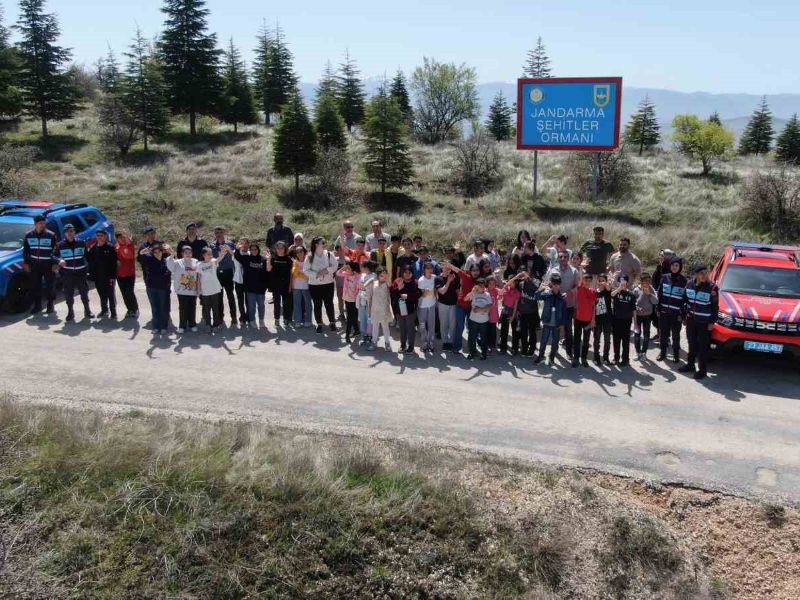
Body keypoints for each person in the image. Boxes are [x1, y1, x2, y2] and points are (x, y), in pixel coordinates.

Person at [679, 264, 718, 380]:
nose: (705, 275)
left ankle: (702, 370)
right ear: (696, 274)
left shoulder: (712, 288)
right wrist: (684, 315)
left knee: (703, 347)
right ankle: (690, 365)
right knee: (691, 343)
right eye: (702, 273)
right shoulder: (689, 284)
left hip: (704, 322)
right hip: (691, 320)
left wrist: (712, 322)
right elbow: (684, 300)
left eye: (706, 273)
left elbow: (715, 307)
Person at [55, 223, 93, 322]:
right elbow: (53, 255)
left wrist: (90, 268)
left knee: (84, 292)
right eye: (67, 232)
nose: (70, 233)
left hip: (81, 272)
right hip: (67, 273)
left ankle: (87, 311)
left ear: (74, 232)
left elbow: (87, 256)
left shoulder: (81, 243)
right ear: (65, 234)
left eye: (71, 231)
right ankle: (70, 312)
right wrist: (59, 260)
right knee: (68, 294)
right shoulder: (60, 245)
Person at [23, 215, 58, 315]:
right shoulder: (28, 235)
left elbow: (56, 250)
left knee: (50, 286)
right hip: (35, 265)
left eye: (44, 223)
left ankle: (50, 304)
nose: (43, 225)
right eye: (40, 223)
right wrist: (26, 263)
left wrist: (55, 263)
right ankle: (37, 305)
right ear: (35, 224)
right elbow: (26, 251)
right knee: (35, 285)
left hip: (48, 265)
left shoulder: (51, 235)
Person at [546, 250, 578, 357]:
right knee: (555, 328)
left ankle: (569, 352)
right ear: (558, 258)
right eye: (561, 257)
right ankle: (554, 352)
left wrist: (570, 292)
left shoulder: (574, 271)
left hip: (568, 305)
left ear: (568, 258)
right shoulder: (553, 270)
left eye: (565, 257)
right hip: (555, 305)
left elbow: (577, 287)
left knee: (568, 330)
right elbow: (548, 284)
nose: (563, 259)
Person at [444, 260, 479, 354]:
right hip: (460, 306)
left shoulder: (480, 282)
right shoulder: (466, 277)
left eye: (477, 270)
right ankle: (456, 348)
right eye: (474, 270)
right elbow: (457, 270)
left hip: (471, 308)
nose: (475, 272)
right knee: (460, 327)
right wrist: (449, 265)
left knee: (472, 328)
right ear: (470, 271)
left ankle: (472, 348)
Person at [657, 256, 687, 362]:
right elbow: (659, 294)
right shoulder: (664, 277)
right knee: (663, 334)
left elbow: (685, 300)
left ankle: (675, 354)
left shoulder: (684, 281)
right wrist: (658, 308)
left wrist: (682, 315)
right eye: (672, 265)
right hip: (664, 312)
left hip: (676, 314)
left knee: (675, 336)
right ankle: (663, 352)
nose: (674, 267)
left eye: (676, 265)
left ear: (680, 267)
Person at [534, 275, 569, 366]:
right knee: (543, 341)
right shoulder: (547, 295)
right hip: (547, 322)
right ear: (551, 284)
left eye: (557, 284)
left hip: (557, 324)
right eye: (554, 284)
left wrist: (562, 326)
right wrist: (540, 289)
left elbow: (565, 313)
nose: (556, 286)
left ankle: (552, 358)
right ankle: (541, 356)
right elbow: (536, 297)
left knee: (555, 343)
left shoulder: (562, 298)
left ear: (560, 285)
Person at [305, 237, 338, 333]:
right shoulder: (310, 256)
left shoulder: (328, 254)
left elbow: (335, 265)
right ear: (316, 244)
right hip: (314, 285)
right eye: (322, 242)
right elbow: (306, 270)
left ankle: (332, 323)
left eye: (324, 242)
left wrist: (326, 270)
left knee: (329, 304)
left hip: (328, 284)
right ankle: (319, 323)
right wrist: (317, 274)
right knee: (317, 304)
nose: (324, 243)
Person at [137, 244, 171, 336]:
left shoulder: (166, 261)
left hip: (163, 289)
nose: (157, 254)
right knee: (155, 308)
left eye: (159, 251)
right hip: (152, 288)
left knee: (163, 308)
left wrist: (169, 250)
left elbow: (173, 257)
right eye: (155, 252)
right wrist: (142, 252)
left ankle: (164, 327)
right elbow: (140, 257)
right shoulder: (149, 260)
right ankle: (156, 327)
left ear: (162, 252)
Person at [234, 241, 269, 328]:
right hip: (250, 288)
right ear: (250, 250)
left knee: (261, 306)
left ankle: (261, 321)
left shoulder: (263, 259)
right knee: (251, 306)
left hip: (260, 288)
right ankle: (252, 321)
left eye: (255, 249)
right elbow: (237, 256)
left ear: (258, 250)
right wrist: (237, 248)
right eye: (252, 249)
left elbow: (267, 273)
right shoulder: (246, 259)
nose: (254, 251)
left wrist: (265, 286)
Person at [166, 245, 200, 332]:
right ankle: (182, 326)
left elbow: (199, 275)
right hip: (181, 290)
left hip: (193, 290)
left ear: (192, 253)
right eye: (186, 253)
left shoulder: (195, 262)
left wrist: (198, 288)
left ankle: (192, 324)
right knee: (183, 308)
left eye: (190, 253)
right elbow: (170, 266)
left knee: (192, 307)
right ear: (182, 254)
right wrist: (171, 254)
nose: (188, 254)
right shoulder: (177, 262)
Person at [333, 221, 362, 317]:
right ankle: (342, 312)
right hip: (343, 265)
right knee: (342, 290)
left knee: (353, 291)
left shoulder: (358, 238)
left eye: (351, 226)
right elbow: (335, 251)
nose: (350, 229)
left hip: (355, 268)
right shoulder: (340, 238)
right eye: (347, 227)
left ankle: (353, 312)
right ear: (344, 228)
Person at [87, 229, 118, 319]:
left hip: (109, 276)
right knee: (102, 294)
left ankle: (113, 312)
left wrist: (113, 276)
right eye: (98, 236)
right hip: (98, 276)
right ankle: (104, 310)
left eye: (101, 235)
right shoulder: (94, 247)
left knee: (110, 295)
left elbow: (114, 263)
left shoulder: (110, 247)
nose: (99, 237)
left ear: (105, 236)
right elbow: (89, 258)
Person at [391, 266, 421, 354]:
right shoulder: (397, 281)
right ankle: (403, 345)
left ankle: (411, 346)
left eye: (409, 272)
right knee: (402, 328)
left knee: (410, 328)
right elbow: (392, 293)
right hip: (399, 309)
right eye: (405, 272)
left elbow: (418, 294)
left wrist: (408, 296)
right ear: (402, 273)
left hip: (410, 310)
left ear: (412, 273)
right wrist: (398, 288)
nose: (407, 274)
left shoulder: (415, 282)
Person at [211, 226, 237, 326]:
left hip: (229, 272)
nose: (218, 234)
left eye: (220, 232)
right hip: (217, 273)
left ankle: (233, 317)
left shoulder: (230, 244)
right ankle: (220, 317)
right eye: (216, 232)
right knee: (219, 297)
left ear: (224, 233)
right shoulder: (212, 245)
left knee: (230, 295)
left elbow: (235, 255)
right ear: (214, 234)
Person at [198, 246, 226, 333]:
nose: (210, 255)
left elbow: (219, 259)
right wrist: (199, 290)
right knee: (206, 309)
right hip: (205, 290)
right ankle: (207, 324)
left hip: (215, 289)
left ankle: (216, 324)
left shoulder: (213, 261)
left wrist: (222, 254)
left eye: (211, 254)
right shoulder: (199, 265)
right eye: (208, 254)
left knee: (215, 308)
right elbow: (198, 278)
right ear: (203, 255)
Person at [611, 275, 636, 366]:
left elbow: (634, 310)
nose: (622, 283)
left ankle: (625, 359)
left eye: (624, 281)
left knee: (626, 341)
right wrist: (619, 288)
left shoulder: (631, 295)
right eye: (620, 281)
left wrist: (635, 323)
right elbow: (611, 294)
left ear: (627, 282)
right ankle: (616, 357)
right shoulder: (616, 292)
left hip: (627, 320)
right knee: (616, 340)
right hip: (616, 320)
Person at [572, 273, 597, 367]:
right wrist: (581, 268)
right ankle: (576, 358)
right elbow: (579, 277)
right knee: (577, 340)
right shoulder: (579, 289)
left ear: (591, 282)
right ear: (583, 281)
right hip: (578, 319)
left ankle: (584, 358)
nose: (587, 282)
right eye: (585, 280)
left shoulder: (593, 292)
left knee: (586, 341)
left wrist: (593, 319)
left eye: (589, 281)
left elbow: (594, 307)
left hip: (588, 320)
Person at [633, 273, 659, 360]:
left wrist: (649, 294)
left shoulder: (651, 289)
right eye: (645, 281)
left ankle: (644, 353)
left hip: (647, 316)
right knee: (637, 334)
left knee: (646, 335)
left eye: (648, 281)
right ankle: (638, 353)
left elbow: (656, 301)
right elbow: (633, 302)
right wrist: (637, 307)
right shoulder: (636, 289)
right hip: (638, 316)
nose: (647, 283)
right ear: (641, 281)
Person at [465, 277, 492, 360]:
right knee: (472, 337)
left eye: (483, 285)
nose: (482, 287)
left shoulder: (487, 294)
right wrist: (472, 291)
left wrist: (480, 309)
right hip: (473, 320)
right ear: (476, 286)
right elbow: (465, 299)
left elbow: (490, 305)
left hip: (484, 320)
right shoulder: (474, 293)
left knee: (484, 338)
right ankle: (472, 352)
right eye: (480, 285)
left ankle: (484, 353)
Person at [367, 267, 393, 352]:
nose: (383, 277)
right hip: (375, 309)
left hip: (384, 309)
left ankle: (387, 343)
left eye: (385, 275)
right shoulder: (374, 283)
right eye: (381, 275)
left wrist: (386, 277)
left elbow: (389, 283)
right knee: (375, 327)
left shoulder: (387, 283)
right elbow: (370, 297)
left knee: (385, 327)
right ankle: (374, 342)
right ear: (378, 276)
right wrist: (369, 310)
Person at [435, 264, 459, 351]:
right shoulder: (438, 279)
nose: (448, 269)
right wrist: (448, 281)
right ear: (442, 268)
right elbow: (442, 292)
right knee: (444, 324)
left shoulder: (454, 277)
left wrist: (459, 301)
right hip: (443, 304)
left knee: (452, 324)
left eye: (449, 268)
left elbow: (457, 290)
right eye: (446, 267)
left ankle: (451, 341)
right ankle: (445, 342)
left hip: (453, 304)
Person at [115, 230, 139, 318]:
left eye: (124, 237)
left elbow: (129, 256)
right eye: (121, 238)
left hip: (129, 274)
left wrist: (127, 244)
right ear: (117, 239)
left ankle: (135, 309)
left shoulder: (129, 245)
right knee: (124, 294)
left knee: (129, 292)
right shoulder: (116, 247)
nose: (123, 239)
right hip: (119, 275)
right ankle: (129, 309)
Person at [516, 271, 541, 356]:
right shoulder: (521, 284)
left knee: (532, 331)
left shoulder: (536, 281)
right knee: (523, 332)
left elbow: (536, 288)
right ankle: (524, 348)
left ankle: (532, 349)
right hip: (523, 312)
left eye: (526, 273)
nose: (524, 276)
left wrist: (529, 279)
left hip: (532, 312)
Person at [336, 260, 362, 343]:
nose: (346, 270)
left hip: (354, 300)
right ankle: (357, 331)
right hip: (347, 298)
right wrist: (344, 267)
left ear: (353, 270)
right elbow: (338, 273)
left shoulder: (358, 277)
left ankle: (347, 335)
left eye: (348, 268)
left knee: (350, 318)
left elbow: (360, 286)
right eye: (346, 268)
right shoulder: (346, 274)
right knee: (353, 317)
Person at [268, 241, 292, 326]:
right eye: (278, 248)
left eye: (282, 248)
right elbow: (268, 269)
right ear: (276, 249)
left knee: (286, 303)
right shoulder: (273, 258)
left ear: (285, 248)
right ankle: (277, 319)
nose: (280, 249)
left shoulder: (288, 259)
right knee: (277, 303)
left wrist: (290, 286)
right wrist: (268, 259)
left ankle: (286, 319)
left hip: (286, 284)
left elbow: (291, 273)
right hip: (275, 285)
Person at [498, 273, 522, 354]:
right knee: (504, 331)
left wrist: (513, 316)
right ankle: (503, 347)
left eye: (512, 282)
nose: (510, 283)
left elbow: (515, 306)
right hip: (505, 311)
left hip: (513, 312)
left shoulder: (517, 292)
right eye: (509, 281)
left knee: (515, 331)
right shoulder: (505, 289)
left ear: (515, 283)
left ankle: (515, 348)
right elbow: (501, 298)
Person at [593, 274, 613, 365]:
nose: (601, 282)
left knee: (607, 339)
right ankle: (596, 357)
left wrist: (606, 284)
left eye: (603, 280)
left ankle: (606, 357)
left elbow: (609, 288)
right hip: (597, 320)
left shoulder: (608, 291)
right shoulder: (594, 292)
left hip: (607, 320)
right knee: (596, 339)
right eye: (599, 280)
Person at [417, 262, 437, 352]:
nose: (430, 270)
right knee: (422, 325)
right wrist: (424, 292)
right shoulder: (421, 280)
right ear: (424, 270)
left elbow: (437, 289)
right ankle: (424, 342)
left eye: (431, 268)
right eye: (427, 268)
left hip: (432, 305)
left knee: (431, 325)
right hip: (422, 306)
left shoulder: (435, 278)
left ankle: (431, 342)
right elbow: (421, 294)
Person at [290, 246, 312, 328]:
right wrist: (291, 285)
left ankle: (308, 320)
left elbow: (309, 274)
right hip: (296, 287)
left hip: (306, 286)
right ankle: (297, 321)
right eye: (297, 252)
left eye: (301, 251)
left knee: (308, 304)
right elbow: (292, 274)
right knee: (296, 304)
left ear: (304, 252)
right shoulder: (294, 262)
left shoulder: (309, 262)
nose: (299, 253)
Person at [357, 261, 377, 348]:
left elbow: (373, 283)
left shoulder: (374, 276)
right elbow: (359, 285)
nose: (361, 268)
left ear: (367, 268)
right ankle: (364, 335)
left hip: (370, 301)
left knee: (370, 319)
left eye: (363, 267)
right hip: (361, 299)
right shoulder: (362, 275)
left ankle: (370, 335)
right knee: (362, 318)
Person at [232, 237, 249, 326]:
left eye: (246, 243)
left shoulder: (251, 253)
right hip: (238, 280)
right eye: (242, 243)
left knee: (248, 300)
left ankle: (248, 316)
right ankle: (242, 317)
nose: (244, 245)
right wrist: (237, 249)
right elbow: (236, 258)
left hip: (247, 282)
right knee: (240, 301)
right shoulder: (236, 253)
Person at [485, 276, 500, 352]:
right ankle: (486, 345)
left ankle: (493, 345)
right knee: (486, 331)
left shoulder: (496, 291)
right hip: (485, 315)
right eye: (490, 283)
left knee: (493, 331)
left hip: (494, 315)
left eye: (493, 284)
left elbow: (503, 291)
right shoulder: (484, 291)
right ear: (487, 284)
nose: (492, 285)